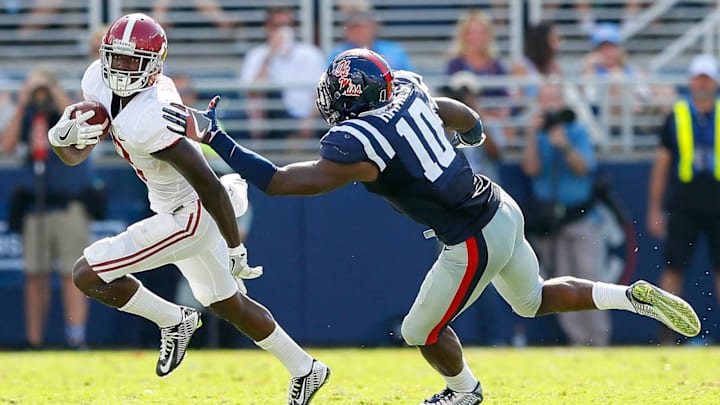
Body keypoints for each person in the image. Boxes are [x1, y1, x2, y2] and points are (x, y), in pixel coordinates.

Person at [163, 48, 701, 405]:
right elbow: (454, 110)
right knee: (533, 299)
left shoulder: (360, 140)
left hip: (470, 238)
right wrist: (473, 134)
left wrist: (219, 140)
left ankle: (464, 392)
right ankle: (628, 296)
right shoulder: (408, 90)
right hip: (500, 207)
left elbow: (281, 182)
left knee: (421, 331)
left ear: (353, 96)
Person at [46, 13, 329, 404]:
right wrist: (60, 137)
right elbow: (74, 155)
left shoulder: (154, 112)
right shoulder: (96, 78)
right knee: (228, 303)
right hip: (173, 207)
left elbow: (208, 182)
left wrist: (235, 246)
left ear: (156, 65)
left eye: (134, 61)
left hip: (189, 213)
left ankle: (174, 319)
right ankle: (306, 368)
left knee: (87, 274)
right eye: (117, 57)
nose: (122, 68)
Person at [1, 67, 91, 350]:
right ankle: (34, 340)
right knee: (34, 276)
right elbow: (6, 145)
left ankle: (76, 336)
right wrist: (23, 103)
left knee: (71, 274)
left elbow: (78, 121)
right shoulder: (28, 117)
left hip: (69, 205)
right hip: (35, 207)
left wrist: (52, 92)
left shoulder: (65, 114)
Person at [522, 82, 609, 346]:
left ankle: (599, 341)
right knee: (557, 282)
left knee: (589, 277)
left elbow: (584, 168)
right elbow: (531, 169)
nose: (550, 106)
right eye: (545, 100)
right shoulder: (537, 135)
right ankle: (577, 340)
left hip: (580, 217)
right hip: (551, 221)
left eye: (554, 100)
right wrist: (531, 136)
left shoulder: (577, 130)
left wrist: (565, 145)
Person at [647, 54, 720, 345]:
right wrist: (654, 207)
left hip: (718, 203)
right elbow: (662, 164)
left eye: (707, 78)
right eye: (698, 78)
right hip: (684, 205)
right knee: (673, 269)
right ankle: (666, 333)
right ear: (690, 81)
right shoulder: (676, 115)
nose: (702, 83)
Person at [240, 6, 325, 139]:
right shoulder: (256, 55)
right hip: (273, 121)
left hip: (308, 119)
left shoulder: (311, 54)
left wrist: (310, 120)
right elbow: (252, 92)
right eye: (277, 26)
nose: (284, 30)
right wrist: (270, 55)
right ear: (267, 27)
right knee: (270, 95)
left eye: (288, 25)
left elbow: (321, 93)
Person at [446, 9, 512, 139]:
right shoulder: (455, 64)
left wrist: (494, 117)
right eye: (473, 32)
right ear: (464, 35)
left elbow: (506, 99)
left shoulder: (496, 65)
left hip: (492, 124)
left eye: (481, 31)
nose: (477, 36)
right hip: (461, 120)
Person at [328, 8, 413, 71]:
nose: (359, 32)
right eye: (354, 28)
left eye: (364, 28)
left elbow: (411, 81)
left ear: (374, 28)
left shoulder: (394, 51)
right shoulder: (337, 55)